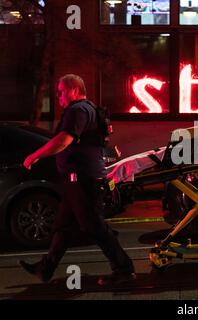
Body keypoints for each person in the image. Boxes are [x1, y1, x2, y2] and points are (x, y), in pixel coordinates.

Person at [19, 74, 136, 286]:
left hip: (82, 180)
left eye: (61, 91)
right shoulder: (88, 109)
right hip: (80, 179)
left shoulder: (77, 110)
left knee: (94, 227)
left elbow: (63, 140)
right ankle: (45, 268)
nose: (58, 96)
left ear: (74, 90)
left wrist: (34, 155)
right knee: (63, 227)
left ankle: (124, 269)